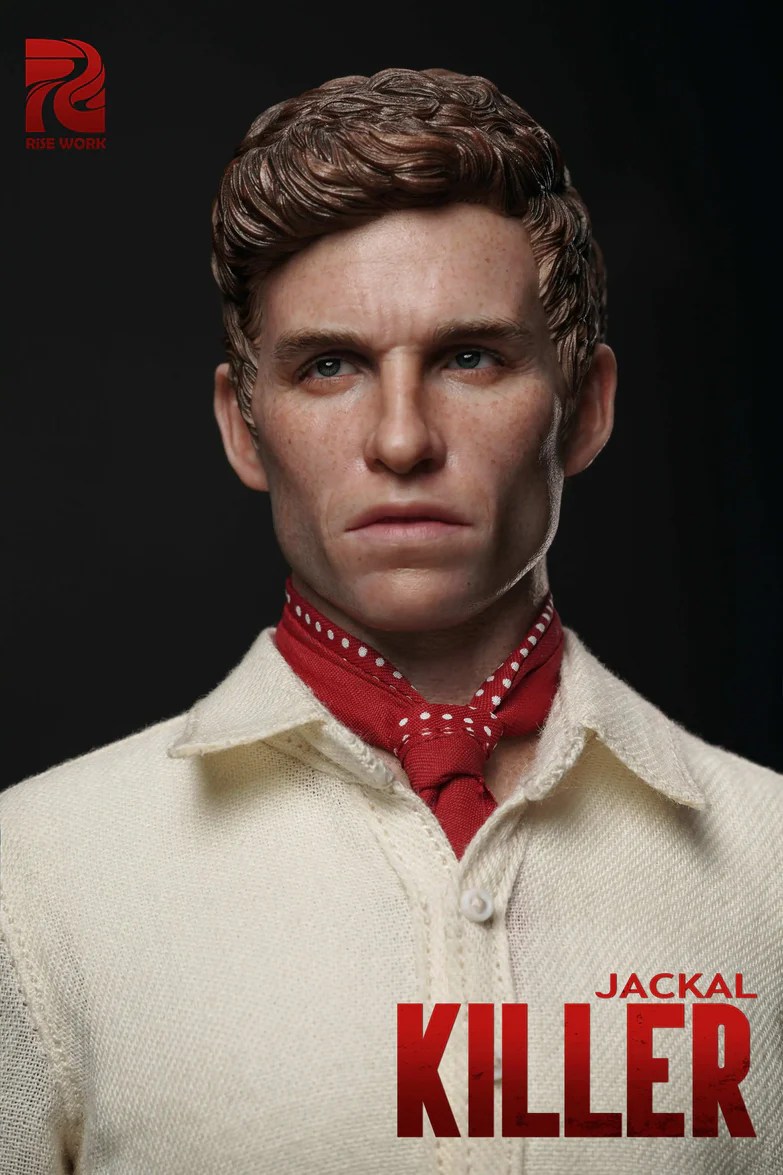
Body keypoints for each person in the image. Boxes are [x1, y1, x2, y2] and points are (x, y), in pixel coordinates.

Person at [1, 66, 780, 1175]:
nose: (402, 440)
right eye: (330, 366)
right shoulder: (33, 882)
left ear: (586, 407)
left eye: (470, 357)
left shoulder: (769, 865)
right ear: (244, 425)